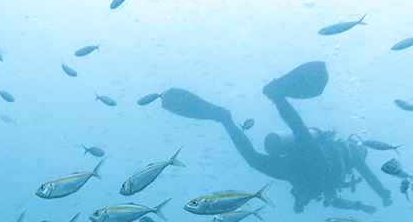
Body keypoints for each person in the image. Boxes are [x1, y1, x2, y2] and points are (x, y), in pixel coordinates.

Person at [161, 61, 394, 214]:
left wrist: (362, 206)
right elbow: (369, 175)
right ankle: (275, 95)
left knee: (257, 157)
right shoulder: (352, 154)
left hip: (297, 170)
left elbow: (333, 200)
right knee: (296, 134)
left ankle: (225, 117)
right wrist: (382, 193)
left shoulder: (342, 163)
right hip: (317, 162)